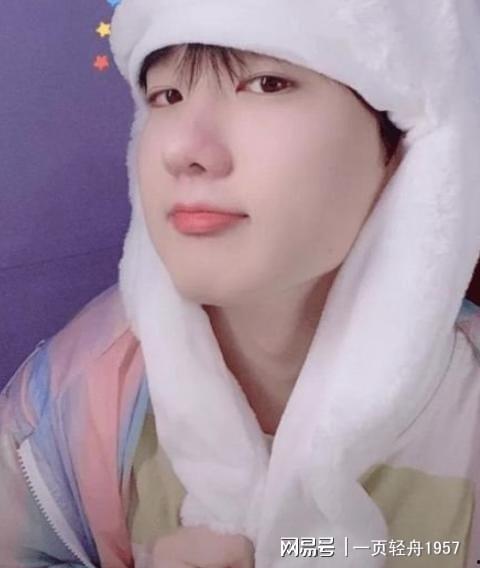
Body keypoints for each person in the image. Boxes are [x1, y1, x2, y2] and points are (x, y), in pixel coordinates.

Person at [1, 1, 479, 567]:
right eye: (167, 96)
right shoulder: (74, 398)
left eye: (267, 84)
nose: (184, 150)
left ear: (403, 147)